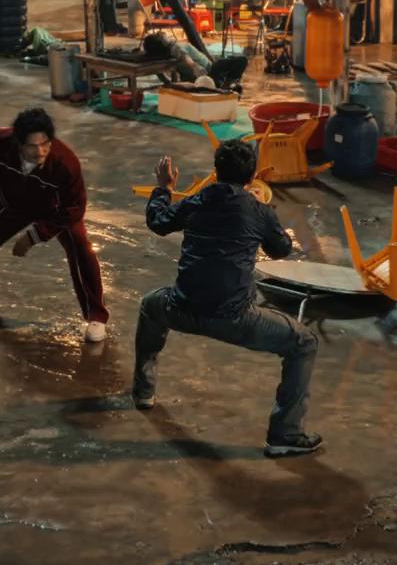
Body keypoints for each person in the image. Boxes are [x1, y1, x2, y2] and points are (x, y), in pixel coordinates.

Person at [134, 141, 322, 457]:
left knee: (151, 306)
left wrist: (164, 188)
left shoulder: (197, 201)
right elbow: (281, 249)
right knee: (304, 343)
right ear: (251, 177)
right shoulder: (258, 210)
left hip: (181, 308)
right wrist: (266, 214)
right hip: (235, 319)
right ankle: (285, 435)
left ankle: (143, 393)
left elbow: (158, 222)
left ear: (216, 171)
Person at [0, 108, 110, 343]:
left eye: (45, 144)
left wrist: (34, 236)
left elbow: (75, 209)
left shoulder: (65, 163)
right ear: (18, 143)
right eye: (32, 146)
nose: (40, 151)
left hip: (55, 209)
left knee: (80, 248)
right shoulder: (0, 141)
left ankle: (96, 316)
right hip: (17, 199)